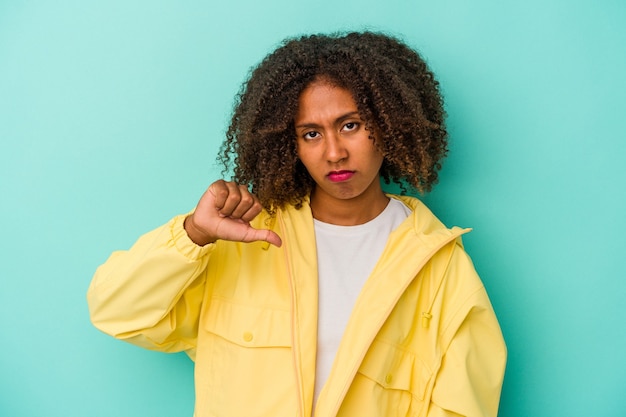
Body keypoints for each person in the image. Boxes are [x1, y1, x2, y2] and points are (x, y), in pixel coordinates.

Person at [87, 31, 506, 417]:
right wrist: (193, 236)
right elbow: (117, 312)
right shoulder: (244, 236)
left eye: (351, 125)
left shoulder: (441, 269)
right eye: (311, 134)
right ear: (289, 144)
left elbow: (462, 407)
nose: (334, 152)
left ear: (390, 124)